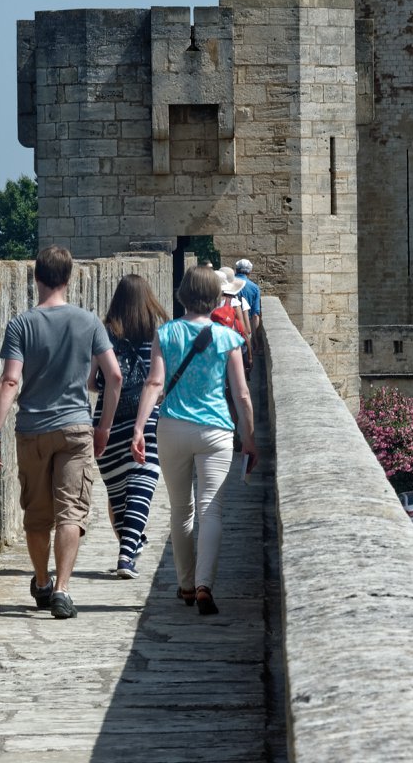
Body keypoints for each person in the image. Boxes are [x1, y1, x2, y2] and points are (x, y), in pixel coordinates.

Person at [0, 244, 122, 620]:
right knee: (71, 512)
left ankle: (43, 581)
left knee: (36, 514)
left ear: (36, 277)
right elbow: (113, 376)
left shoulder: (21, 324)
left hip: (32, 430)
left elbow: (10, 380)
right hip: (76, 427)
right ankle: (63, 589)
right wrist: (104, 427)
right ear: (69, 278)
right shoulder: (89, 322)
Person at [132, 264, 256, 616]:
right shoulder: (228, 338)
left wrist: (139, 428)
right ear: (215, 298)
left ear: (182, 295)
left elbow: (155, 384)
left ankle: (185, 584)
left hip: (171, 427)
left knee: (181, 509)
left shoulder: (166, 333)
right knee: (211, 510)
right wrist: (249, 439)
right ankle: (204, 585)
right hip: (216, 432)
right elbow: (242, 395)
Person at [93, 273, 167, 580]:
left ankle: (127, 548)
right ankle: (128, 551)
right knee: (141, 487)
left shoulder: (104, 332)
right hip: (147, 419)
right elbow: (160, 380)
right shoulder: (159, 333)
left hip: (107, 420)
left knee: (118, 492)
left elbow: (92, 380)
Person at [231, 258, 263, 367]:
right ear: (249, 272)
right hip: (244, 327)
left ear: (236, 270)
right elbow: (255, 316)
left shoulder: (229, 285)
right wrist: (255, 340)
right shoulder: (254, 288)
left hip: (228, 324)